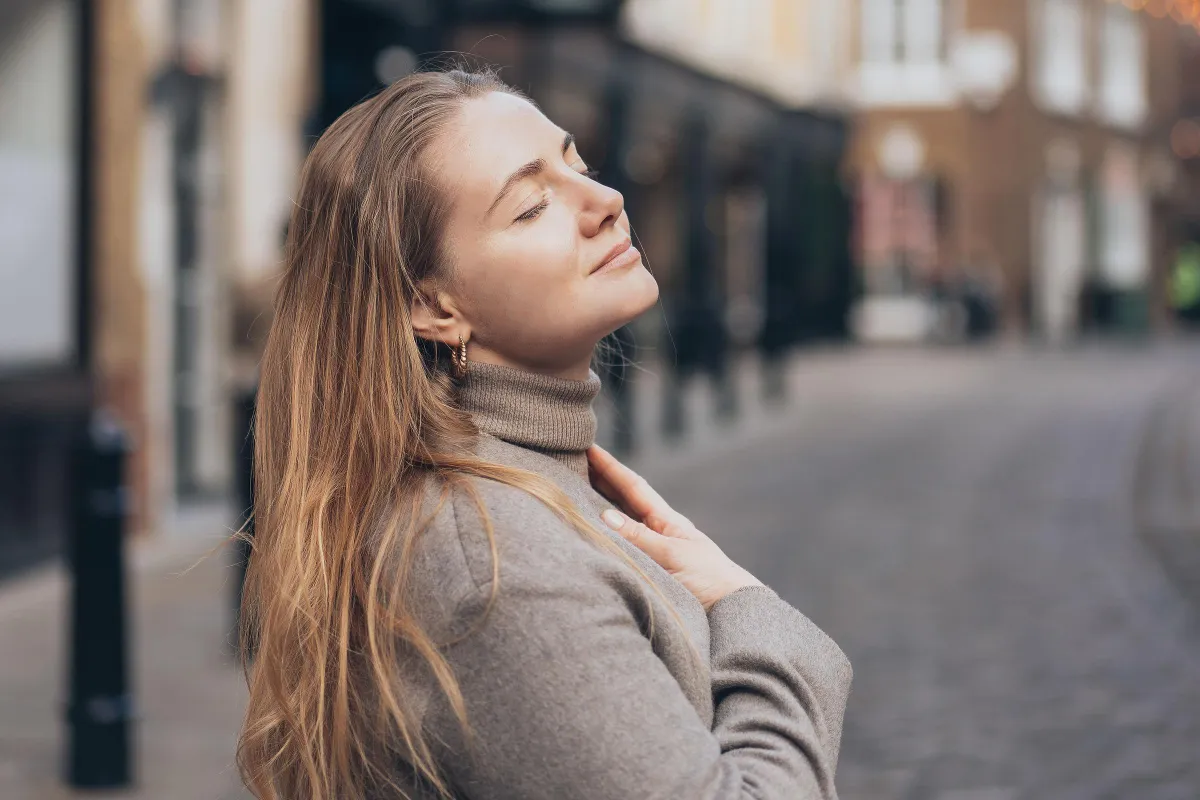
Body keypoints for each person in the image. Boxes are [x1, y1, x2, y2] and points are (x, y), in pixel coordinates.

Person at [236, 67, 853, 800]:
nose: (606, 201)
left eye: (579, 165)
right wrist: (749, 616)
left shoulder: (520, 498)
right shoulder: (496, 567)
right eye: (531, 206)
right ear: (431, 305)